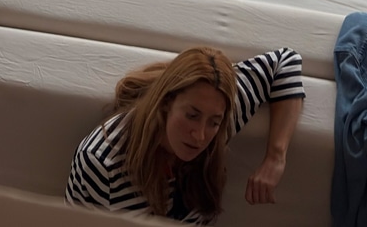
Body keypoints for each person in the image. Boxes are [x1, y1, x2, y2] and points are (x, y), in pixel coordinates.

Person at [66, 44, 306, 220]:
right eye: (192, 116)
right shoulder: (101, 163)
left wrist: (276, 156)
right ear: (165, 102)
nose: (201, 136)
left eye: (214, 122)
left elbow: (286, 61)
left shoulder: (218, 116)